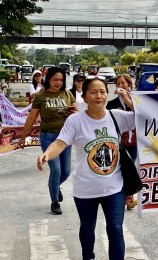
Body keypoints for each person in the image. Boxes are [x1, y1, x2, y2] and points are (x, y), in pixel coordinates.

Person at [37, 77, 135, 260]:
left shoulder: (117, 116)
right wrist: (47, 155)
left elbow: (146, 116)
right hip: (85, 189)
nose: (99, 96)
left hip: (114, 187)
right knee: (87, 228)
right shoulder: (75, 121)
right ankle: (88, 256)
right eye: (93, 92)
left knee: (115, 229)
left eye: (102, 91)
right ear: (84, 96)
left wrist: (129, 101)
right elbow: (60, 142)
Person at [18, 67, 76, 215]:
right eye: (55, 79)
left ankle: (55, 186)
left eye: (61, 80)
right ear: (48, 79)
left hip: (65, 137)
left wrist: (72, 112)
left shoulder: (67, 94)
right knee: (56, 170)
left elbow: (76, 114)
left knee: (66, 171)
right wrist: (23, 136)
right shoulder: (41, 96)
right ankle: (54, 202)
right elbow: (31, 117)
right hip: (48, 136)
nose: (58, 82)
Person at [106, 74, 138, 210]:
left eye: (123, 83)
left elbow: (140, 113)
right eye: (118, 83)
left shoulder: (138, 100)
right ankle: (126, 196)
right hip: (119, 142)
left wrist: (127, 99)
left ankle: (128, 195)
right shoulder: (112, 104)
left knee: (130, 168)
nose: (120, 86)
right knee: (120, 169)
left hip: (135, 141)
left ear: (129, 84)